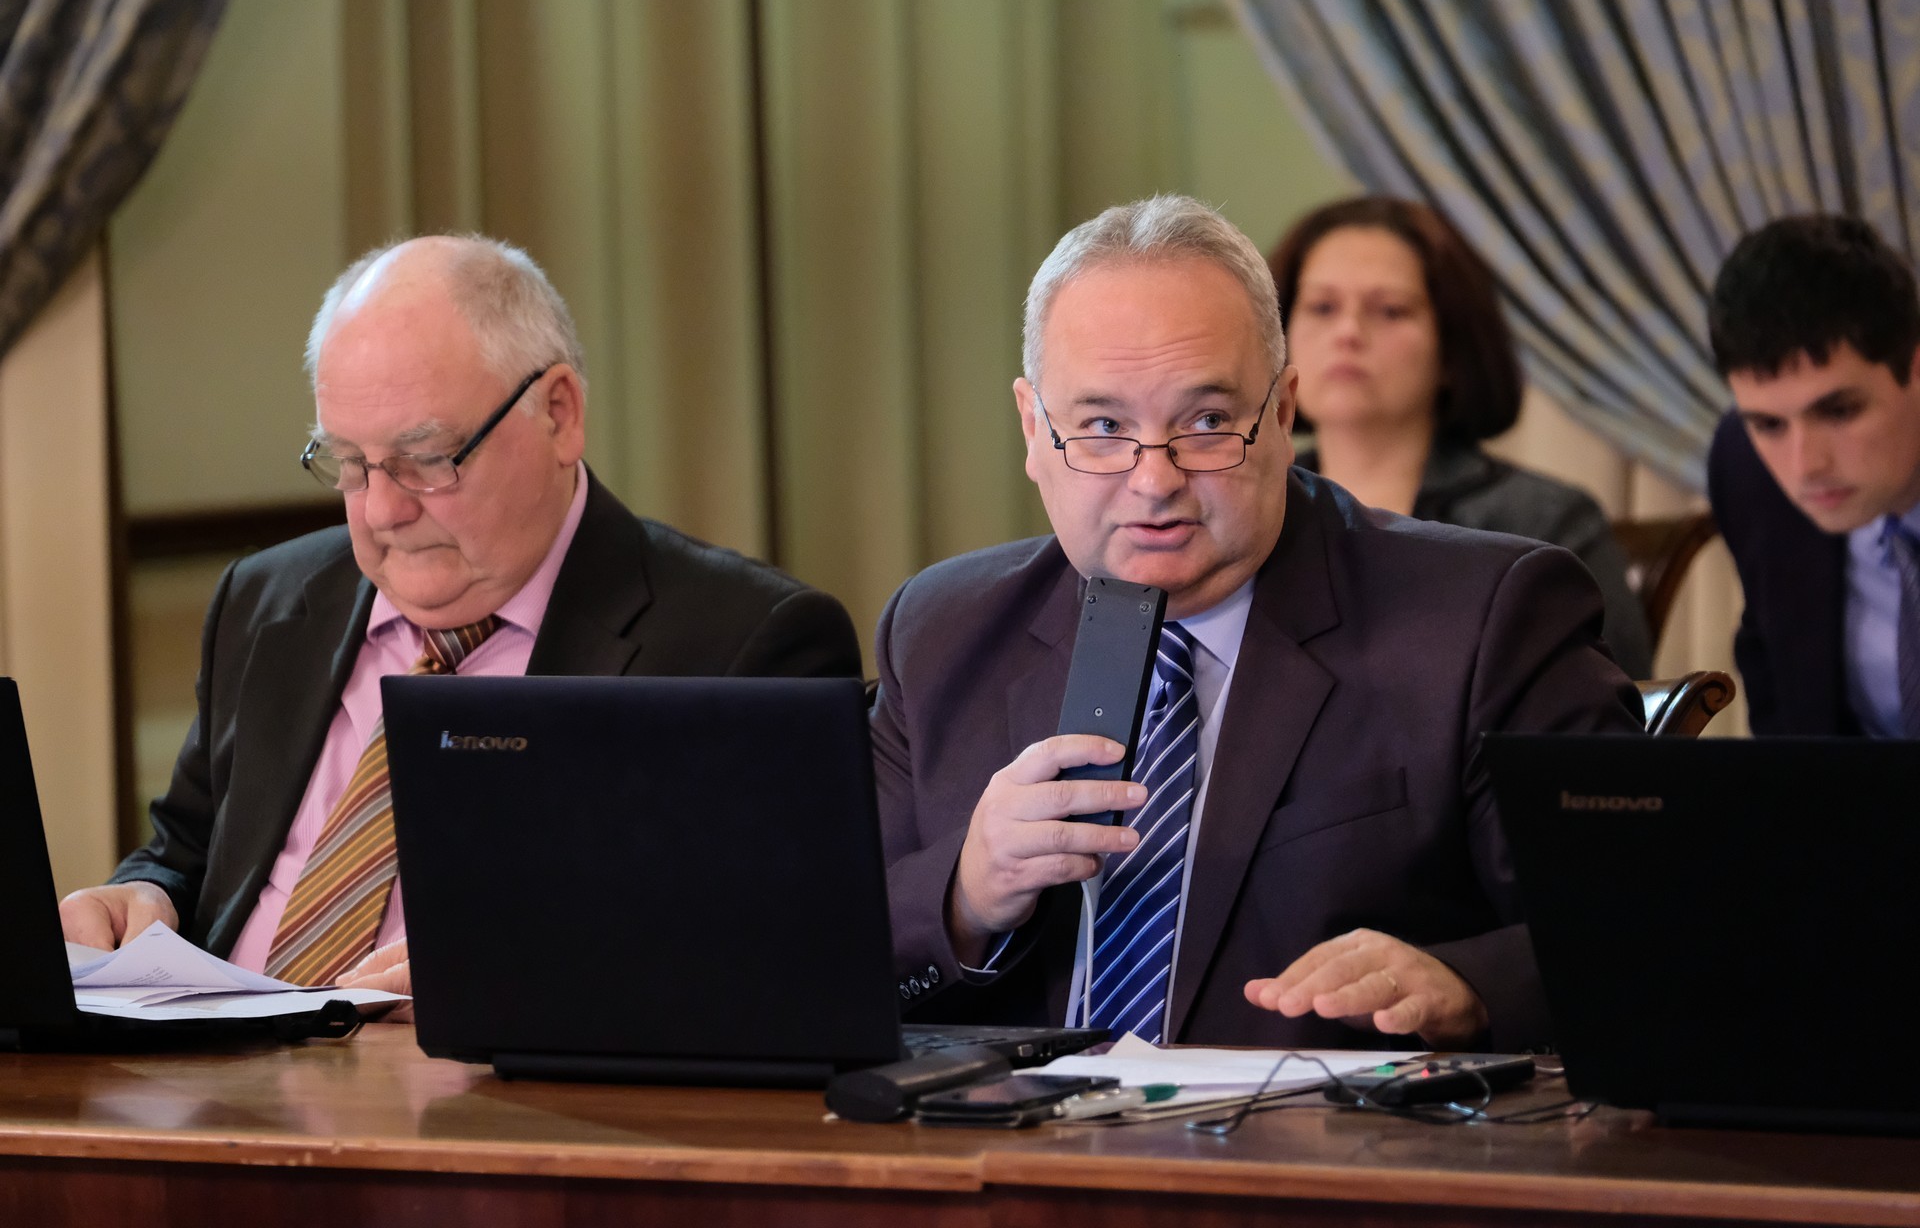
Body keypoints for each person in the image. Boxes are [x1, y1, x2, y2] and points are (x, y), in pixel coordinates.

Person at [873, 195, 1640, 1053]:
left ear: (1280, 413)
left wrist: (1468, 989)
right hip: (1007, 1131)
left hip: (1318, 1132)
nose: (1154, 481)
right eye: (1103, 428)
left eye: (1206, 423)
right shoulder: (942, 633)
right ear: (1032, 427)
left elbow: (1639, 931)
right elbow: (815, 953)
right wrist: (964, 898)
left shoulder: (1483, 617)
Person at [60, 235, 863, 997]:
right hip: (218, 1077)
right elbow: (188, 852)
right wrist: (141, 898)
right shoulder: (266, 600)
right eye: (348, 462)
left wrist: (527, 982)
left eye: (426, 460)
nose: (381, 510)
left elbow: (775, 958)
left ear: (558, 414)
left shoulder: (744, 644)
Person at [1269, 196, 1653, 678]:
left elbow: (1616, 709)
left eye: (1390, 310)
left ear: (1451, 349)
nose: (1348, 332)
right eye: (1322, 307)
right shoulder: (1252, 503)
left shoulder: (1545, 523)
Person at [1706, 213, 1920, 736]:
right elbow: (1778, 689)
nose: (1806, 466)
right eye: (1769, 424)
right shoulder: (1745, 471)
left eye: (1839, 411)